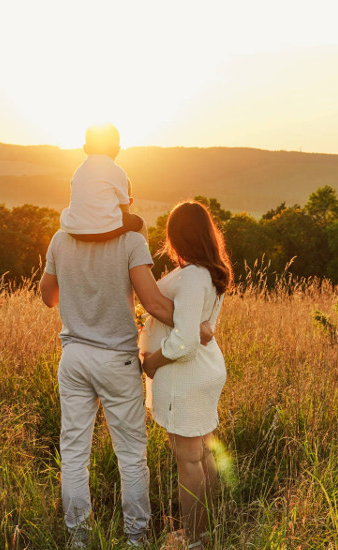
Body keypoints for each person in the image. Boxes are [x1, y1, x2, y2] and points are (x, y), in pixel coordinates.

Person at [39, 181, 212, 547]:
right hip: (116, 358)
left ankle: (78, 537)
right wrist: (192, 329)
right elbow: (151, 302)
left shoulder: (60, 238)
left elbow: (48, 297)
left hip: (73, 357)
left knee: (72, 451)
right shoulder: (131, 242)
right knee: (131, 455)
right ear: (123, 200)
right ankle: (136, 538)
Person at [139, 201, 233, 550]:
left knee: (190, 459)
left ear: (178, 236)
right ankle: (206, 531)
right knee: (203, 453)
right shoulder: (209, 272)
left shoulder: (193, 276)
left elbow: (188, 339)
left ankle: (195, 539)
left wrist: (152, 363)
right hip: (201, 372)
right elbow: (204, 327)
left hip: (186, 375)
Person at [60, 123, 147, 242]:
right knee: (140, 223)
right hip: (104, 230)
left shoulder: (78, 172)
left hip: (75, 231)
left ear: (85, 149)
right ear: (117, 150)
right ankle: (143, 255)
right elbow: (124, 208)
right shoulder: (117, 171)